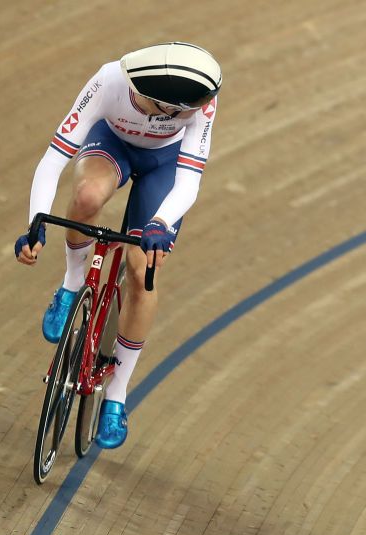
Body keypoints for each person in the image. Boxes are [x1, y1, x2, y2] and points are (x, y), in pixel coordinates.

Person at [14, 42, 221, 449]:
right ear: (162, 103)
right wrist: (36, 221)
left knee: (143, 269)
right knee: (88, 197)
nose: (192, 114)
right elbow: (55, 156)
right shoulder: (109, 81)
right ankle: (72, 284)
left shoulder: (200, 101)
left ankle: (116, 395)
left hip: (165, 164)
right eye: (183, 111)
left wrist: (160, 223)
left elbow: (189, 180)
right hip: (112, 144)